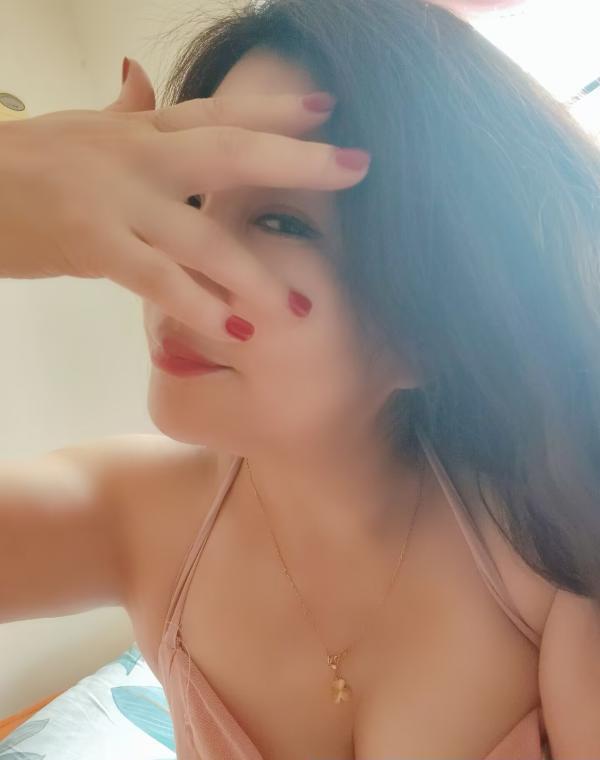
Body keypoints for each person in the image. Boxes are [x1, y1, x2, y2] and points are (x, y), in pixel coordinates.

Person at [1, 0, 600, 758]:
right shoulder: (131, 514)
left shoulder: (545, 547)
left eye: (281, 221)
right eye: (188, 199)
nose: (180, 265)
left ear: (430, 320)